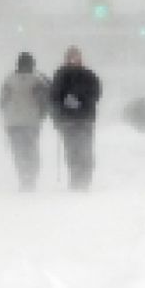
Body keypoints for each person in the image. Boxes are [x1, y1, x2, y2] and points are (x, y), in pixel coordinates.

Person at [50, 45, 102, 190]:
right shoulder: (61, 75)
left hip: (84, 119)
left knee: (85, 151)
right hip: (70, 120)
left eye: (75, 56)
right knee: (73, 151)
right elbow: (54, 98)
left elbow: (96, 94)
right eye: (71, 57)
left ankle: (84, 180)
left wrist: (81, 100)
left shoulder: (88, 75)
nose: (73, 60)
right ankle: (76, 179)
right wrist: (58, 116)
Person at [0, 52, 50, 191]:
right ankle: (31, 177)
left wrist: (5, 114)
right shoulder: (37, 80)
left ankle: (24, 177)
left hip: (13, 122)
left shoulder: (9, 79)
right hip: (31, 122)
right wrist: (43, 115)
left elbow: (2, 102)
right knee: (31, 150)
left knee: (18, 151)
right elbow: (44, 101)